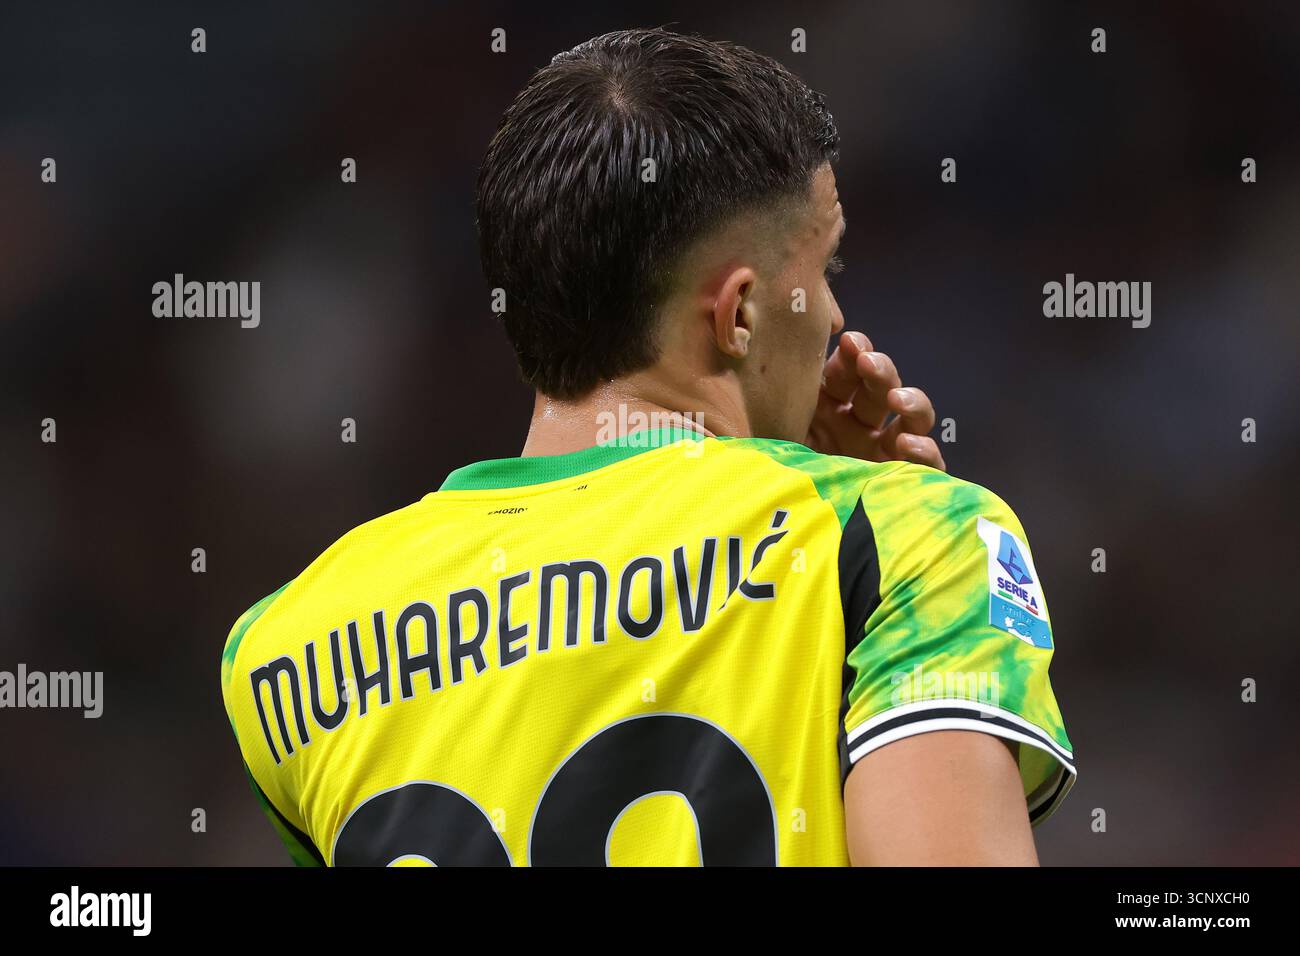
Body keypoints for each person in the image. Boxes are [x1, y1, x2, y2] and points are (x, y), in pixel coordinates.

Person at [221, 27, 1073, 866]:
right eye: (825, 274)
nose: (838, 319)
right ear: (738, 314)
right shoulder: (904, 538)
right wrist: (879, 541)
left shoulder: (281, 651)